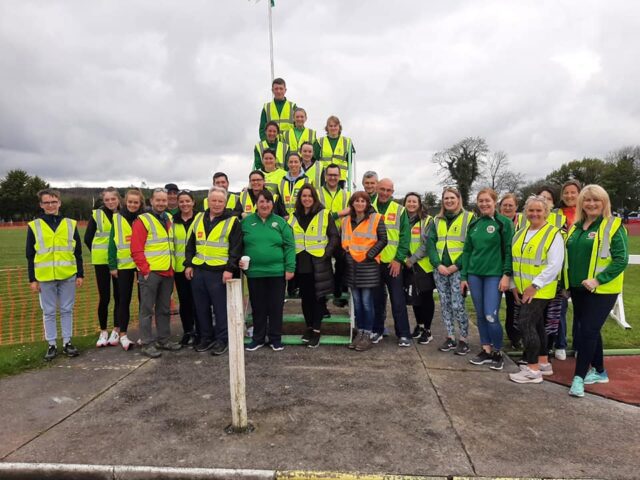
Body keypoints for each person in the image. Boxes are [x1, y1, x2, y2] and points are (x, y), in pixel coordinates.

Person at [565, 185, 628, 397]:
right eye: (587, 200)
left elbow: (621, 260)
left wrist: (598, 280)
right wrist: (566, 285)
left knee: (587, 332)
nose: (591, 204)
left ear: (604, 202)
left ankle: (578, 378)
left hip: (602, 290)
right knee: (589, 329)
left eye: (596, 200)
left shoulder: (613, 226)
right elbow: (569, 260)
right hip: (577, 289)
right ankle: (600, 371)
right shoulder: (575, 228)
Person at [508, 196, 564, 384]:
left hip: (540, 289)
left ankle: (532, 370)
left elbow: (554, 265)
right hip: (523, 287)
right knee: (538, 324)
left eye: (539, 210)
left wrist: (535, 286)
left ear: (546, 212)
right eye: (531, 210)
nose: (534, 214)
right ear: (525, 213)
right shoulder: (520, 233)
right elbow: (516, 261)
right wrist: (514, 285)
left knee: (525, 324)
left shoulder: (553, 234)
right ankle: (543, 362)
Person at [26, 189, 84, 361]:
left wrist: (80, 274)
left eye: (53, 202)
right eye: (46, 202)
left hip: (67, 275)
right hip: (44, 276)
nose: (50, 205)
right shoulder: (34, 226)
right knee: (49, 312)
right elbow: (30, 254)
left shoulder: (70, 224)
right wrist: (32, 278)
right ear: (41, 205)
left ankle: (67, 342)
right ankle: (51, 344)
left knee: (67, 310)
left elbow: (78, 252)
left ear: (59, 202)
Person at [185, 187, 242, 355]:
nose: (216, 204)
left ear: (225, 203)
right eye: (213, 201)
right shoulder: (198, 219)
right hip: (199, 271)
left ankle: (222, 340)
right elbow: (190, 245)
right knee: (201, 307)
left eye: (220, 201)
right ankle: (206, 337)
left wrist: (229, 269)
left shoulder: (232, 221)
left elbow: (236, 248)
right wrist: (188, 264)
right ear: (208, 201)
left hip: (219, 272)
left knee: (220, 308)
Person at [461, 188, 514, 371]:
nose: (484, 204)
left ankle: (498, 352)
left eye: (487, 201)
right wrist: (463, 276)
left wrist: (506, 274)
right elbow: (467, 251)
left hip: (494, 275)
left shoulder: (503, 223)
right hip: (475, 275)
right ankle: (485, 349)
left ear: (494, 202)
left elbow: (509, 250)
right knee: (480, 314)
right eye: (480, 201)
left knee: (491, 315)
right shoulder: (474, 224)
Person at [242, 190, 296, 352]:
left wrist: (290, 268)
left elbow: (290, 245)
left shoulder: (280, 222)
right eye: (261, 202)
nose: (264, 204)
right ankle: (258, 338)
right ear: (256, 204)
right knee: (258, 307)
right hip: (254, 272)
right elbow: (239, 244)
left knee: (275, 306)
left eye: (268, 201)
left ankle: (275, 338)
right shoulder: (246, 222)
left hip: (276, 272)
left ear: (272, 204)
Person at [130, 188, 182, 358]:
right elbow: (136, 249)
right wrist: (145, 270)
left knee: (164, 308)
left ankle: (163, 339)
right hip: (151, 272)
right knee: (146, 310)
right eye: (158, 200)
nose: (161, 203)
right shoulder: (142, 221)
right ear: (151, 201)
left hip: (167, 271)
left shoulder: (169, 218)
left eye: (164, 200)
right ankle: (146, 343)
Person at [289, 185, 339, 347]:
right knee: (306, 298)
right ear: (300, 198)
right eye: (304, 196)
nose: (307, 199)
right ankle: (309, 327)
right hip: (301, 263)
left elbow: (333, 236)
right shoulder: (293, 216)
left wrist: (326, 253)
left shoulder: (324, 214)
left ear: (315, 197)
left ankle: (317, 330)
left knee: (318, 298)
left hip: (319, 263)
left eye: (310, 196)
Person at [428, 187, 473, 354]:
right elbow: (430, 244)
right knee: (445, 303)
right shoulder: (436, 220)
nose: (449, 201)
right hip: (440, 269)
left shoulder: (469, 218)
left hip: (458, 269)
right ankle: (450, 337)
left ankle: (464, 339)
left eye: (452, 198)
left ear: (458, 199)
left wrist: (456, 265)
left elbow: (471, 246)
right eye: (446, 198)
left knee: (458, 304)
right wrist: (437, 264)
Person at [342, 192, 387, 351]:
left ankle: (367, 334)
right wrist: (348, 255)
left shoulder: (376, 218)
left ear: (367, 203)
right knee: (358, 303)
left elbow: (383, 239)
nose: (360, 203)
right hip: (352, 265)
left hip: (368, 266)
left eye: (363, 201)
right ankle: (360, 333)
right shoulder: (346, 220)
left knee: (367, 303)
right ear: (352, 203)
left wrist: (370, 254)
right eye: (356, 201)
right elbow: (345, 240)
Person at [371, 178, 412, 347]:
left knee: (398, 300)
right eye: (382, 189)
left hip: (393, 264)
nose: (385, 193)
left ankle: (403, 334)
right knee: (376, 300)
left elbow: (405, 238)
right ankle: (377, 330)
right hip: (373, 263)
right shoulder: (368, 207)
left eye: (389, 190)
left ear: (393, 192)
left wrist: (398, 260)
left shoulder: (400, 210)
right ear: (376, 188)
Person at [108, 189, 145, 351]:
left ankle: (144, 334)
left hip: (142, 265)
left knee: (144, 301)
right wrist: (112, 265)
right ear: (125, 202)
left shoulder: (145, 219)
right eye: (130, 202)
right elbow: (111, 244)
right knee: (124, 300)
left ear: (140, 204)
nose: (132, 205)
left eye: (136, 202)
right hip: (124, 266)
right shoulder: (117, 219)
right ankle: (123, 334)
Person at [84, 187, 121, 348]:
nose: (110, 202)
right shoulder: (96, 215)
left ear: (118, 199)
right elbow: (87, 238)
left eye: (113, 199)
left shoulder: (123, 214)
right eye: (107, 200)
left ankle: (117, 329)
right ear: (103, 201)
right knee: (104, 297)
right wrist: (98, 253)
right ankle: (103, 331)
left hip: (120, 261)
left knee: (119, 296)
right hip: (101, 262)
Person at [403, 192, 436, 345]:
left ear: (419, 204)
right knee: (414, 298)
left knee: (425, 297)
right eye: (408, 201)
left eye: (414, 201)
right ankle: (420, 325)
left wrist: (413, 259)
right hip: (407, 264)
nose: (411, 204)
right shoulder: (403, 220)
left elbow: (427, 244)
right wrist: (405, 260)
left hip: (423, 265)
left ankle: (427, 330)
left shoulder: (428, 220)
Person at [318, 164, 351, 307]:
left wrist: (335, 215)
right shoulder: (317, 193)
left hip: (341, 234)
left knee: (342, 264)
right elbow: (316, 213)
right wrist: (338, 214)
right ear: (325, 176)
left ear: (339, 176)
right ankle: (323, 304)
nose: (332, 177)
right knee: (322, 269)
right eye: (330, 175)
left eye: (335, 175)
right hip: (322, 235)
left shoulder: (347, 194)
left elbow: (351, 211)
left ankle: (339, 294)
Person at [499, 193, 524, 350]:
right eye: (504, 205)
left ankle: (520, 337)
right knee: (510, 305)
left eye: (510, 205)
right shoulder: (495, 222)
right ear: (500, 207)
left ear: (516, 207)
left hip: (521, 271)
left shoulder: (524, 223)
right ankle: (512, 336)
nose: (507, 208)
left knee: (520, 306)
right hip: (500, 269)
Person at [172, 190, 198, 346]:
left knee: (198, 302)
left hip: (197, 267)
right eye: (181, 201)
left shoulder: (201, 219)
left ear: (193, 202)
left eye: (187, 201)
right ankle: (187, 331)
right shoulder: (172, 221)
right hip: (179, 268)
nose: (185, 204)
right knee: (185, 301)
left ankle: (200, 331)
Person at [316, 116, 355, 184]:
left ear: (339, 127)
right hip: (324, 177)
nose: (333, 128)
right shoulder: (319, 141)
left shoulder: (347, 141)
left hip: (340, 177)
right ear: (327, 128)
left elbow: (349, 161)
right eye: (331, 126)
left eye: (335, 126)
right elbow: (315, 159)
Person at [279, 153, 308, 217]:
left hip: (301, 218)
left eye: (296, 162)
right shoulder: (282, 181)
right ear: (287, 164)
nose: (293, 164)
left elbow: (308, 201)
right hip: (285, 219)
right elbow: (279, 202)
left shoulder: (307, 181)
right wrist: (285, 215)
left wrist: (295, 216)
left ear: (300, 164)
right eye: (291, 162)